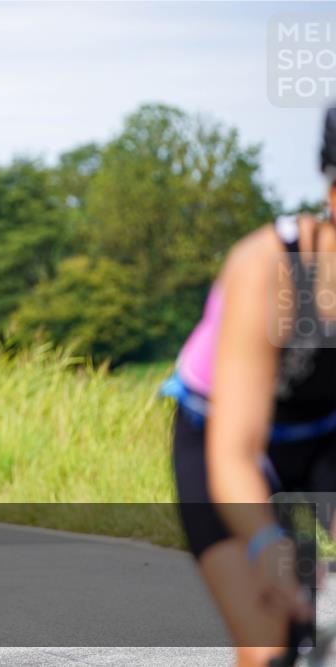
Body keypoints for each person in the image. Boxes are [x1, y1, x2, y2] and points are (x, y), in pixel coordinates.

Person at [165, 107, 336, 666]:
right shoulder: (269, 268)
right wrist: (268, 548)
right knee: (269, 639)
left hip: (324, 439)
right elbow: (235, 456)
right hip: (223, 441)